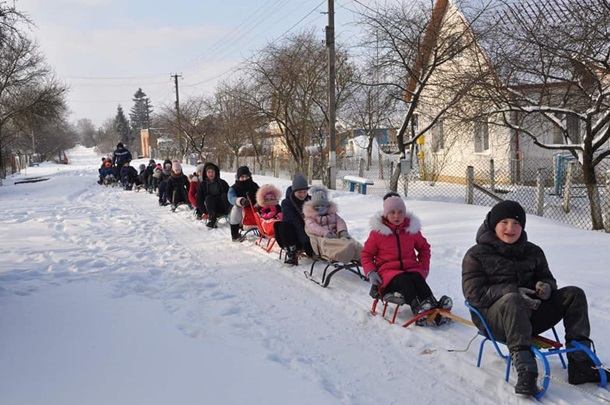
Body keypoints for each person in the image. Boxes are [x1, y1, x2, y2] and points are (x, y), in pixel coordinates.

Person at [462, 200, 609, 396]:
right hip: (494, 321)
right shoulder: (476, 255)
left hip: (531, 315)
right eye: (504, 222)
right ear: (493, 224)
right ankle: (526, 370)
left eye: (516, 223)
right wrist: (513, 291)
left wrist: (546, 288)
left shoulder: (533, 251)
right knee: (513, 300)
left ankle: (580, 362)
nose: (510, 228)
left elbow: (547, 278)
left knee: (575, 293)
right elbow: (474, 294)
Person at [361, 192, 452, 326]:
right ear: (386, 214)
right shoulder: (378, 233)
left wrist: (424, 267)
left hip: (411, 268)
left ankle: (434, 307)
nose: (397, 216)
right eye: (392, 212)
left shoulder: (411, 230)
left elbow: (424, 248)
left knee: (417, 279)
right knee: (404, 281)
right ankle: (418, 308)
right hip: (388, 273)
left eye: (400, 212)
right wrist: (371, 272)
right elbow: (366, 254)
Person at [303, 185, 362, 264]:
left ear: (327, 205)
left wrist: (342, 231)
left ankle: (362, 253)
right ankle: (345, 251)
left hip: (336, 236)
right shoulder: (310, 217)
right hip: (322, 241)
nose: (320, 208)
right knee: (331, 244)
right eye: (317, 206)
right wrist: (325, 232)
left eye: (322, 205)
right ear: (313, 206)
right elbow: (313, 227)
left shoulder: (332, 214)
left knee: (348, 240)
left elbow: (340, 221)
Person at [274, 172, 314, 264]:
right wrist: (305, 242)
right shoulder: (287, 203)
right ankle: (291, 251)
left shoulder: (311, 200)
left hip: (311, 233)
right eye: (299, 192)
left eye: (305, 191)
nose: (302, 194)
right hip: (295, 236)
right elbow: (295, 223)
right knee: (283, 225)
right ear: (294, 191)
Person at [228, 166, 260, 241]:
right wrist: (240, 201)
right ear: (238, 178)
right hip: (240, 215)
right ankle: (235, 234)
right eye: (242, 177)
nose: (245, 178)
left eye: (246, 176)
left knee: (261, 204)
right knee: (236, 208)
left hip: (253, 211)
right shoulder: (234, 188)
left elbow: (261, 193)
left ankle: (264, 228)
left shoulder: (254, 186)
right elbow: (231, 198)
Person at [195, 162, 231, 228]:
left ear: (215, 172)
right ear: (206, 173)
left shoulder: (222, 183)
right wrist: (204, 211)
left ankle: (230, 213)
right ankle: (212, 219)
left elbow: (230, 193)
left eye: (212, 172)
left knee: (224, 195)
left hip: (222, 205)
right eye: (209, 172)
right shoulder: (203, 185)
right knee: (208, 198)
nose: (211, 174)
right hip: (211, 208)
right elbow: (199, 199)